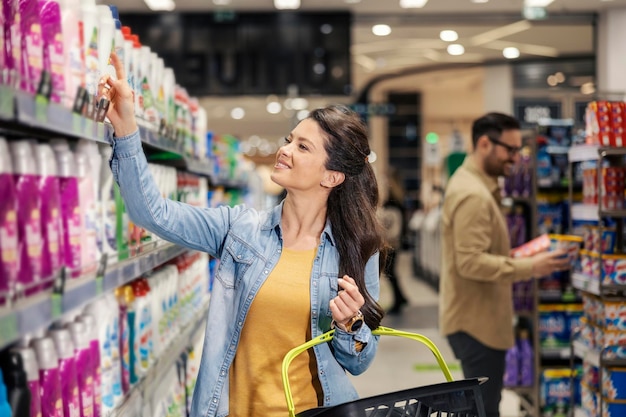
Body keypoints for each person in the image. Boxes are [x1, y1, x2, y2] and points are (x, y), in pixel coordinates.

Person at [99, 53, 387, 417]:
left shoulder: (357, 250)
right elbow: (153, 212)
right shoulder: (240, 230)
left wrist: (350, 324)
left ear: (331, 177)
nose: (283, 150)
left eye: (302, 147)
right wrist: (126, 130)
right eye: (289, 139)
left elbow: (361, 362)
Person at [439, 112, 570, 417]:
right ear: (485, 144)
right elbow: (470, 263)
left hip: (478, 320)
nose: (516, 157)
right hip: (476, 325)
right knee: (485, 409)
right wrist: (531, 267)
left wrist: (519, 256)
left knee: (485, 406)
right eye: (510, 150)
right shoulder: (473, 195)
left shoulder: (477, 186)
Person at [378, 168, 409, 314]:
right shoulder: (398, 203)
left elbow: (393, 227)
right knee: (391, 272)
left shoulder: (392, 205)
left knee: (390, 272)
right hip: (393, 243)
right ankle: (400, 297)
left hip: (391, 244)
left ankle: (399, 299)